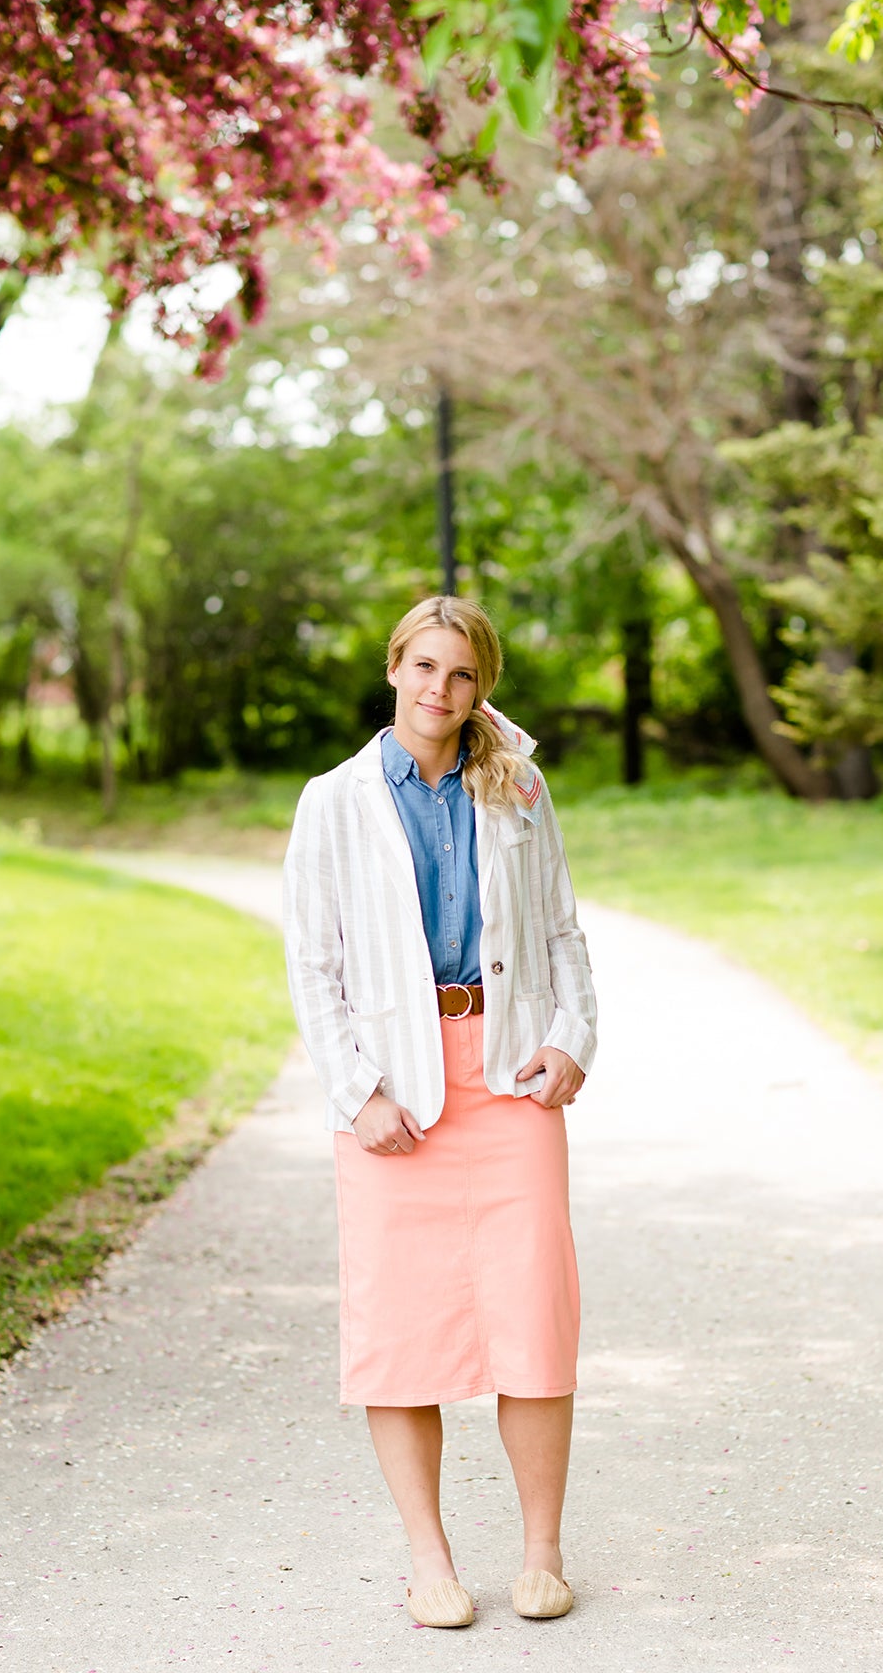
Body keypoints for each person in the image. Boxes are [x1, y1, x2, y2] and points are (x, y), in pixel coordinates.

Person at [282, 595, 598, 1629]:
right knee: (401, 1331)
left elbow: (561, 935)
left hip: (506, 1078)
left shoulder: (520, 787)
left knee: (533, 1316)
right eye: (424, 666)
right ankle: (430, 1560)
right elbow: (313, 967)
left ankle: (542, 1553)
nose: (440, 690)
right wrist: (357, 1092)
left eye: (462, 675)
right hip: (394, 1096)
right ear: (393, 668)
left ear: (482, 687)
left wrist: (572, 1041)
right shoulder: (332, 802)